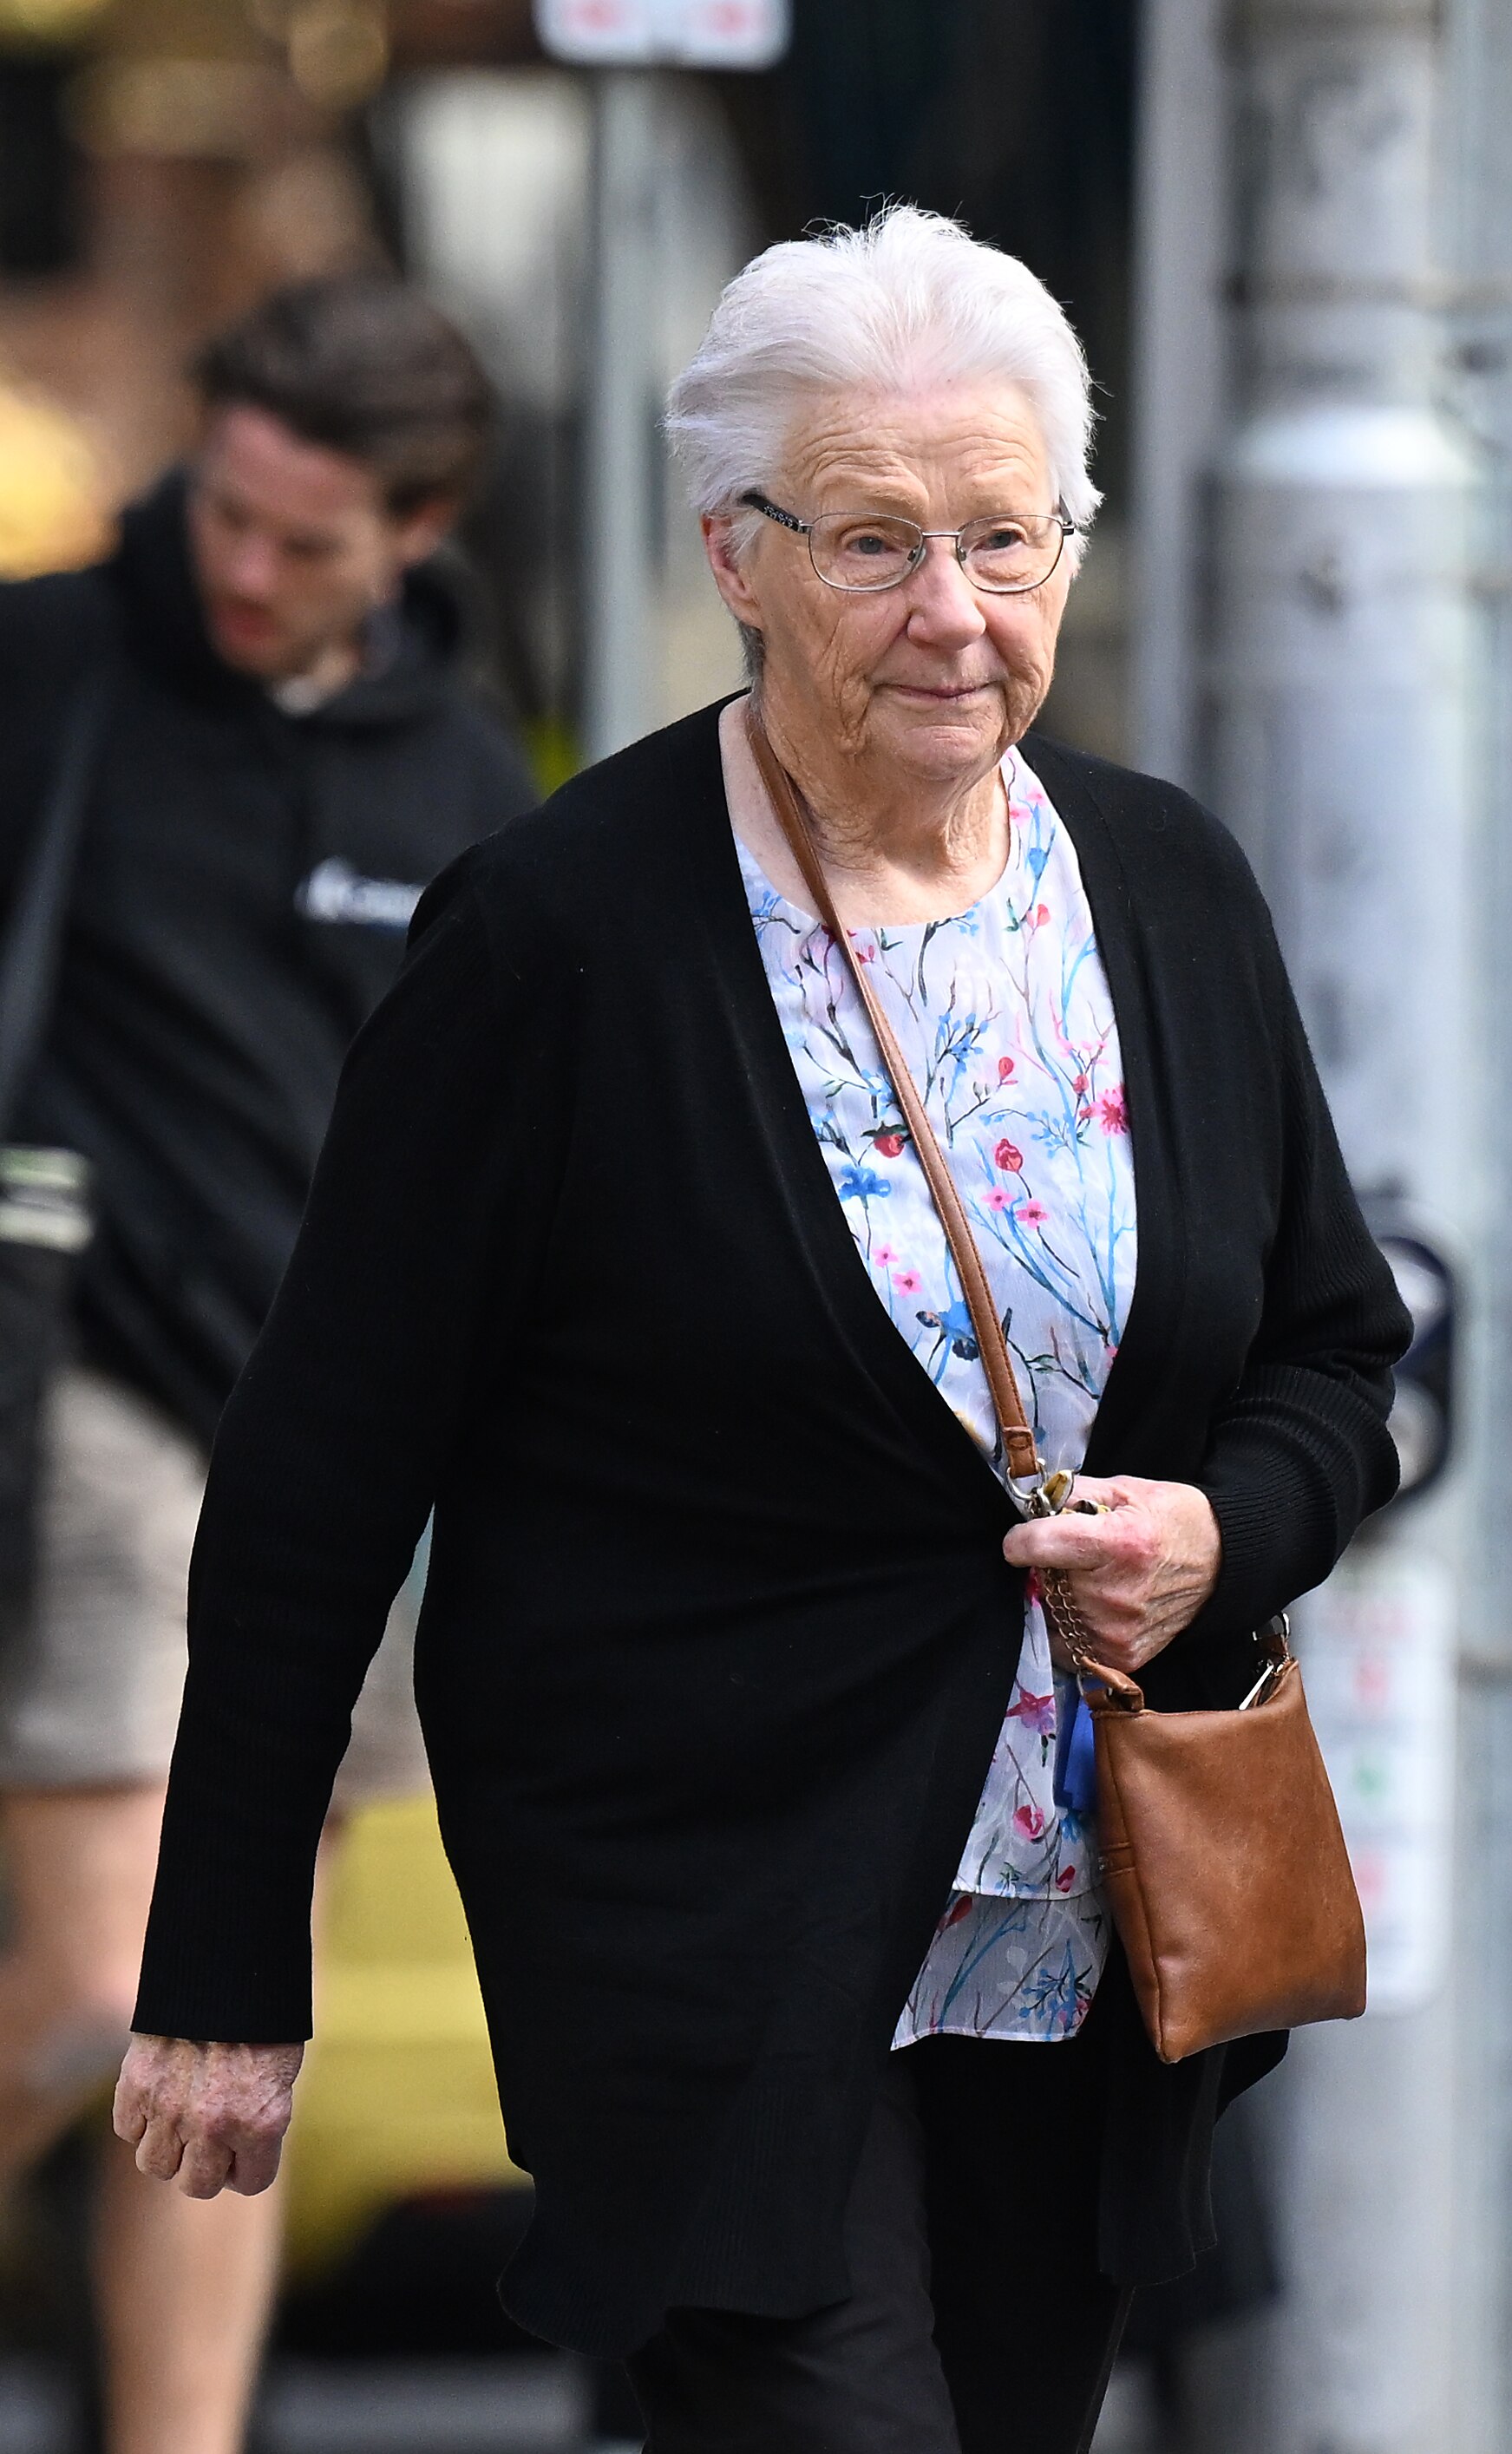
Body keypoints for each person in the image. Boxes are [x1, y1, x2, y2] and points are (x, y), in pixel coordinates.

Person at [115, 210, 1409, 2454]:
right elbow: (323, 1460)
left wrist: (1222, 1526)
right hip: (699, 1918)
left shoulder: (1165, 884)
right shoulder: (553, 937)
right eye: (874, 540)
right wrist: (224, 1968)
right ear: (734, 550)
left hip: (1087, 1917)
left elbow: (1330, 1346)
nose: (951, 611)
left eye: (1003, 537)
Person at [0, 278, 535, 2454]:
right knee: (93, 1976)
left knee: (230, 2023)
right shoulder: (49, 669)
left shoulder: (461, 767)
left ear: (418, 527)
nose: (238, 568)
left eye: (299, 542)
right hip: (100, 1406)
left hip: (341, 1466)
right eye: (222, 509)